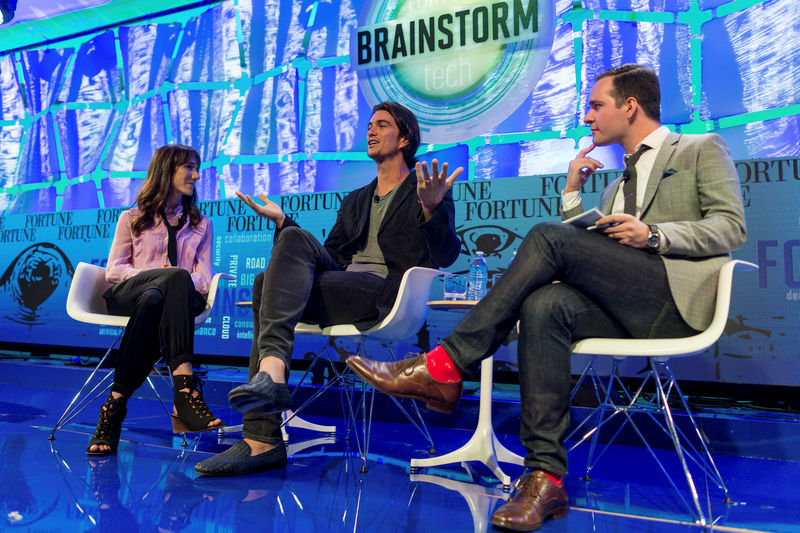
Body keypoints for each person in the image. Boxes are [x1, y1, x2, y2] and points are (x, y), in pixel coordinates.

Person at [346, 64, 747, 532]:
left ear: (630, 106)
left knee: (546, 237)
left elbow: (730, 227)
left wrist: (655, 233)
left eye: (597, 105)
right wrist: (574, 191)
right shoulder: (618, 183)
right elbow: (593, 248)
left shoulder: (699, 148)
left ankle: (445, 366)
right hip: (623, 302)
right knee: (544, 305)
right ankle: (545, 476)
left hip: (671, 302)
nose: (589, 116)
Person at [194, 101, 462, 476]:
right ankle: (269, 387)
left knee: (265, 284)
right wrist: (285, 222)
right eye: (369, 124)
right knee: (283, 252)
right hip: (342, 285)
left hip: (383, 292)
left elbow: (447, 254)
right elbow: (331, 256)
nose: (370, 131)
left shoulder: (425, 188)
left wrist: (432, 210)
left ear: (403, 138)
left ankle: (262, 436)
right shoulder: (355, 200)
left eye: (381, 125)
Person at [87, 144, 223, 455]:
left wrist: (169, 283)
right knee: (166, 281)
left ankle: (114, 406)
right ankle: (185, 390)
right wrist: (159, 275)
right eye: (188, 167)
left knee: (156, 299)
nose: (196, 175)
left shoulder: (202, 224)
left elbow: (203, 278)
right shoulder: (132, 217)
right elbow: (115, 270)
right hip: (127, 295)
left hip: (176, 302)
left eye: (196, 168)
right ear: (166, 170)